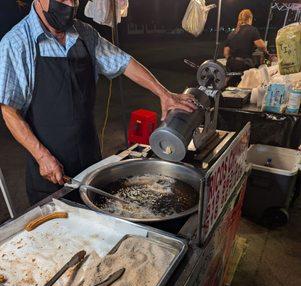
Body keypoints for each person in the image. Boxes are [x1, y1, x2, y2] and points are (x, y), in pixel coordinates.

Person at [0, 0, 196, 205]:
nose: (69, 5)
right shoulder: (17, 42)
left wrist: (163, 94)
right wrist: (41, 157)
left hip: (90, 161)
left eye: (74, 0)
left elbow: (123, 62)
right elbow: (9, 112)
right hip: (49, 172)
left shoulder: (84, 34)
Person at [224, 9, 271, 73]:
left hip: (230, 65)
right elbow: (262, 46)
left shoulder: (232, 33)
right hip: (244, 66)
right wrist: (265, 52)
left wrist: (233, 62)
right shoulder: (252, 30)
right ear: (250, 18)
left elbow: (226, 53)